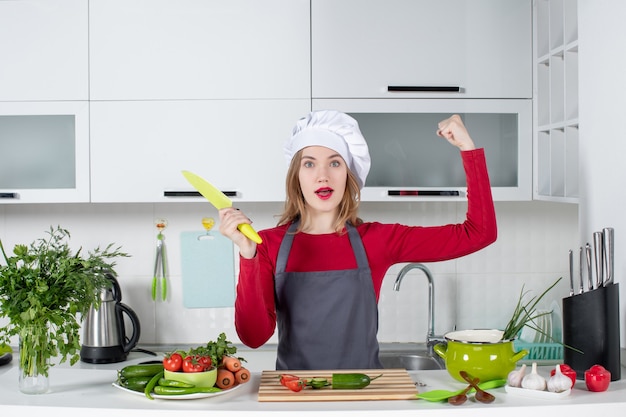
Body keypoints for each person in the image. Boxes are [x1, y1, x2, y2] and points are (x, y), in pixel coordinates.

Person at [218, 110, 497, 370]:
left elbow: (479, 232)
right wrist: (247, 255)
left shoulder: (378, 240)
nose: (322, 175)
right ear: (297, 177)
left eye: (335, 163)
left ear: (349, 175)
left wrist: (468, 149)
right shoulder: (265, 245)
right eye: (309, 164)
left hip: (363, 395)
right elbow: (253, 337)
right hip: (296, 397)